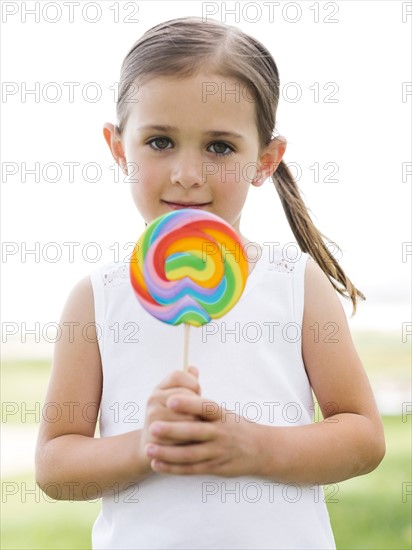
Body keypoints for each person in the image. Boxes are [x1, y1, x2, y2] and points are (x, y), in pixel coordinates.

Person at [35, 16, 385, 549]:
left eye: (219, 147)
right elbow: (56, 465)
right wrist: (142, 446)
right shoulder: (96, 300)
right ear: (118, 148)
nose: (188, 173)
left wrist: (253, 446)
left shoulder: (296, 285)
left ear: (264, 161)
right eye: (159, 141)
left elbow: (362, 436)